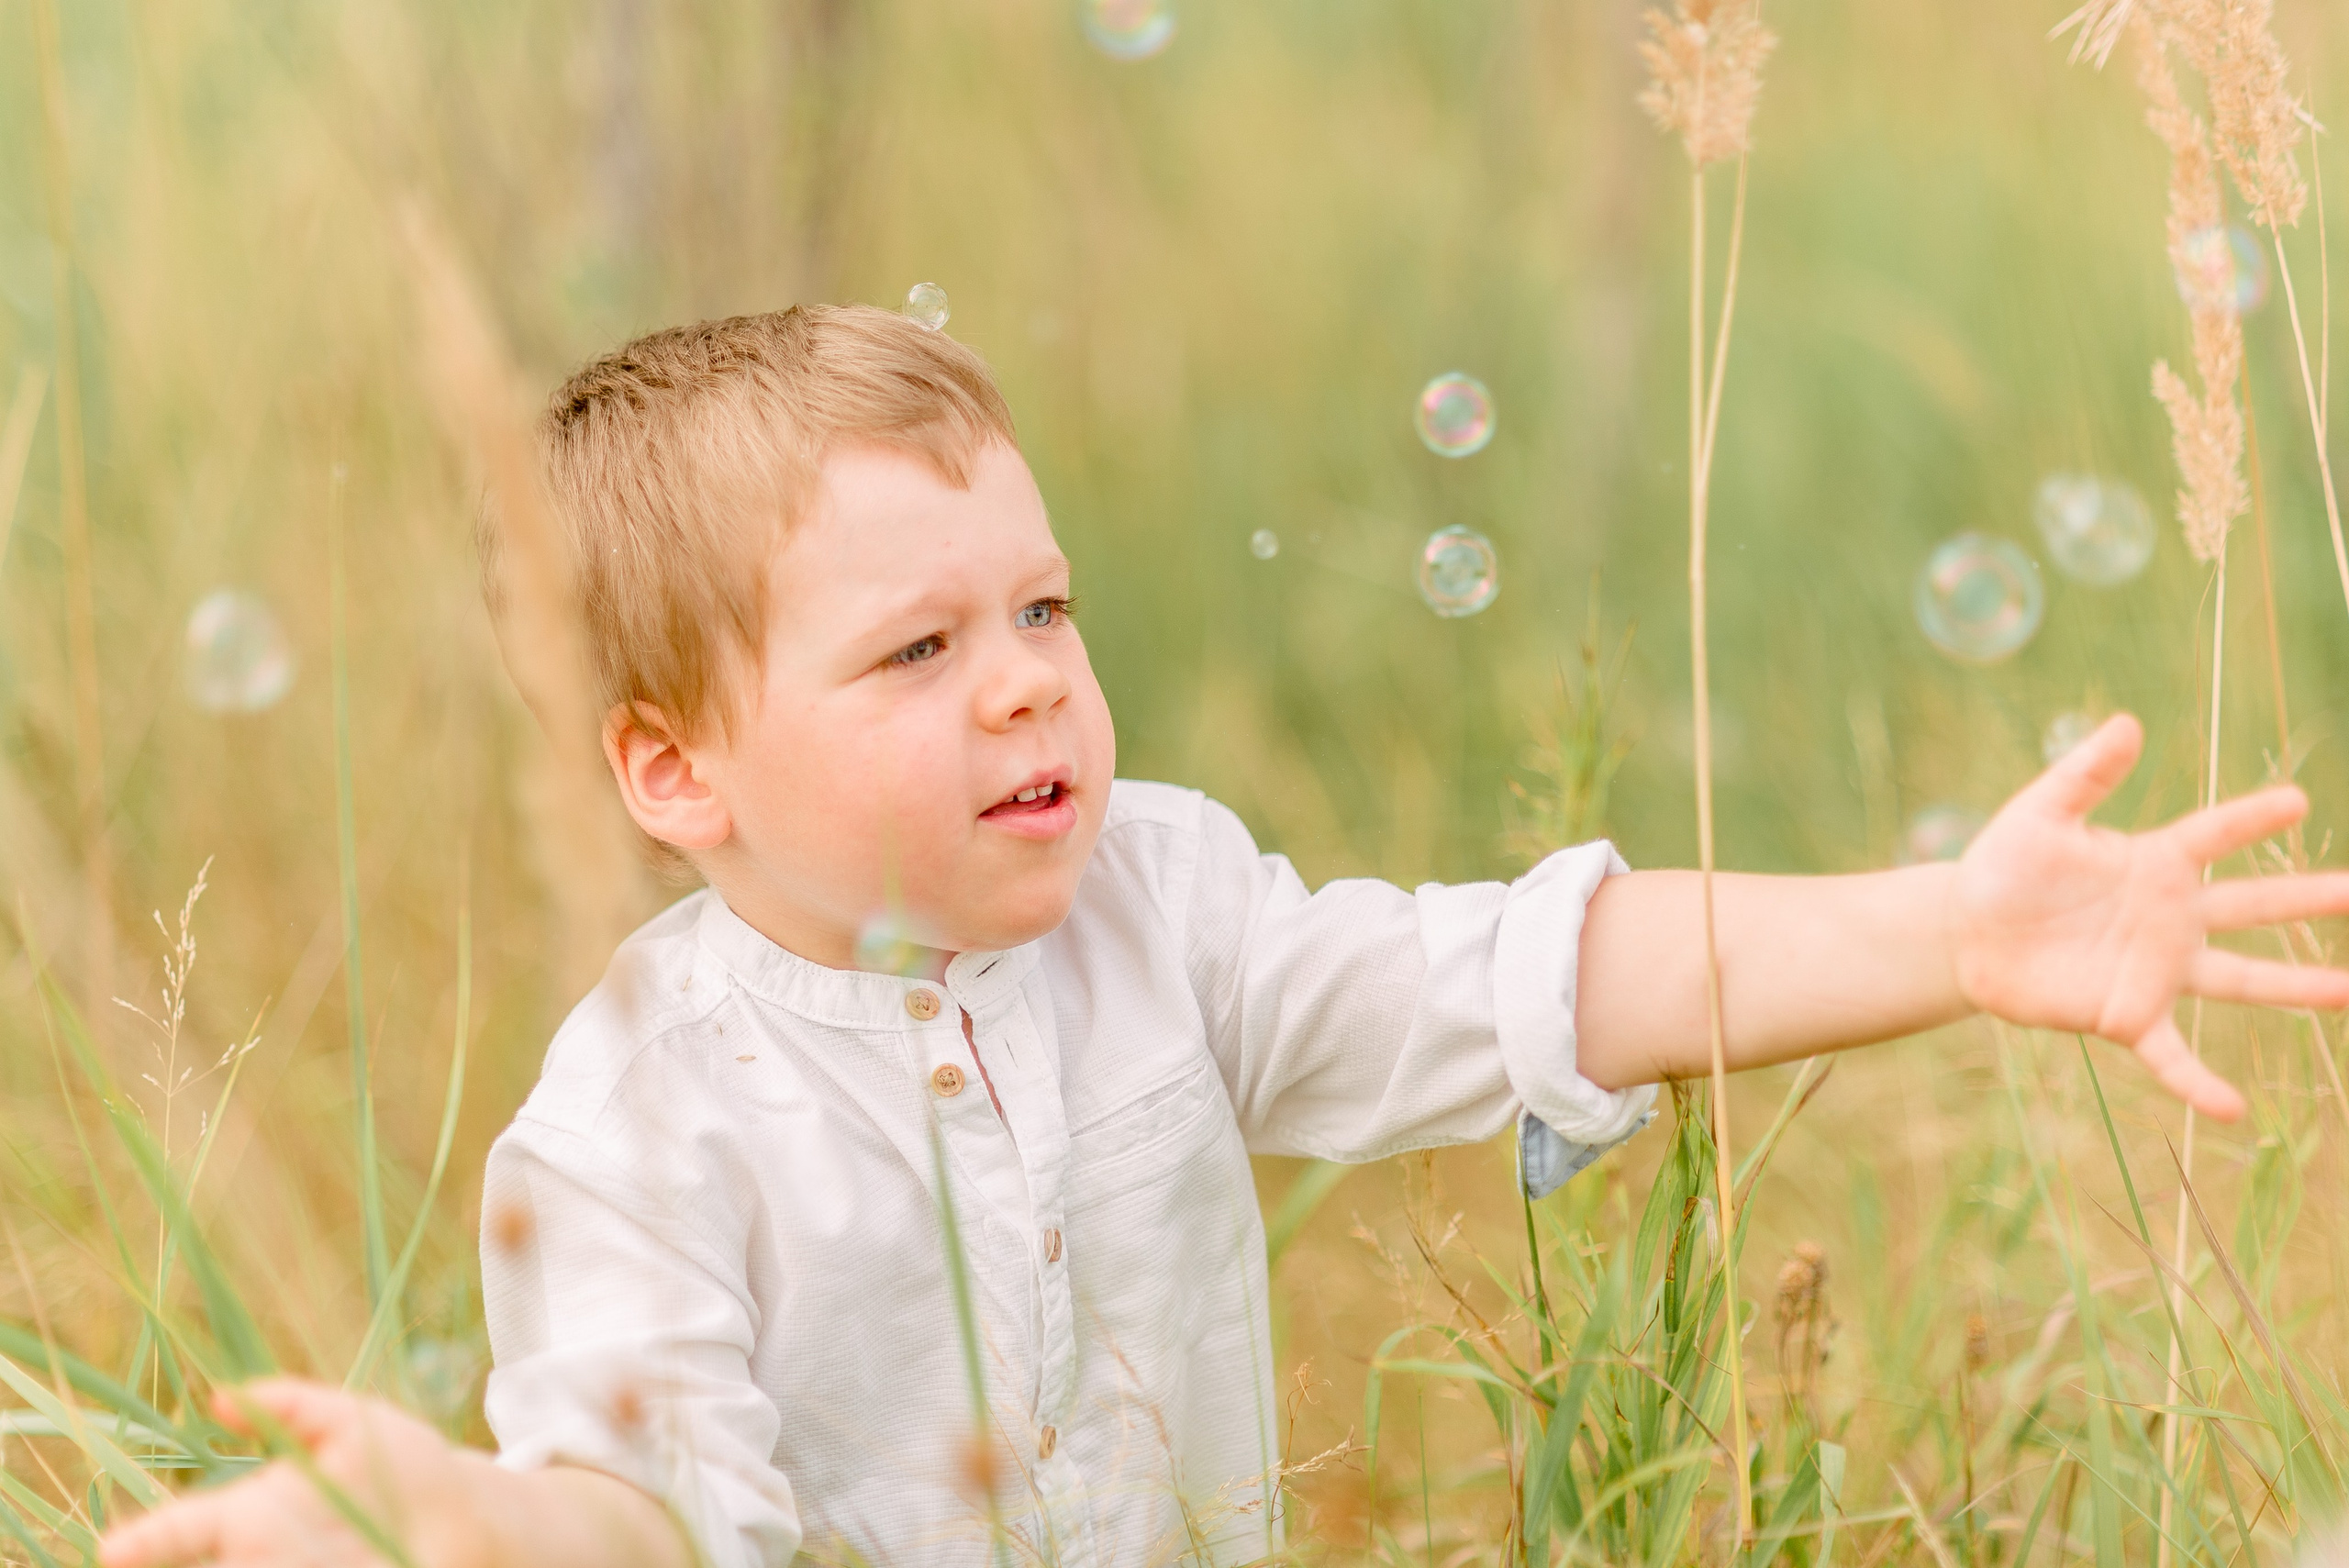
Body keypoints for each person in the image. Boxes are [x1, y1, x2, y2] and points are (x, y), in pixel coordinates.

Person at [98, 306, 2349, 1568]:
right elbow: (645, 1514)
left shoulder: (1157, 903)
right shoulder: (633, 1128)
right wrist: (462, 1532)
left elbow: (1541, 982)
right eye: (913, 653)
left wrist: (1953, 930)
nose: (1025, 682)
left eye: (1044, 607)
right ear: (672, 768)